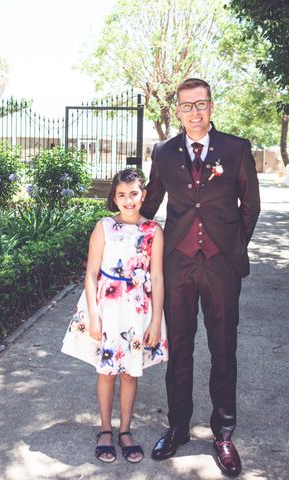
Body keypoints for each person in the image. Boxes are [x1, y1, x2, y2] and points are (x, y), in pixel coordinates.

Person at [141, 78, 260, 477]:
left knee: (224, 346)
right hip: (178, 264)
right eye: (187, 106)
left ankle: (223, 433)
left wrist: (232, 250)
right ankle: (177, 426)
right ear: (177, 110)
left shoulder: (236, 149)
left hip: (221, 264)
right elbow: (151, 203)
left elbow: (250, 206)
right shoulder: (163, 152)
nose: (195, 112)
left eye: (201, 104)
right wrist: (117, 230)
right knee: (180, 347)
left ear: (211, 107)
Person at [61, 168, 169, 464]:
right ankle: (106, 429)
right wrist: (93, 314)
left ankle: (125, 430)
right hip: (107, 308)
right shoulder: (104, 226)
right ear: (114, 198)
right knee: (106, 370)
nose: (128, 200)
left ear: (143, 195)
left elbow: (157, 277)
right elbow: (91, 273)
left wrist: (156, 320)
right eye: (121, 195)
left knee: (130, 372)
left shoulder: (153, 231)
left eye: (134, 194)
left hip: (137, 310)